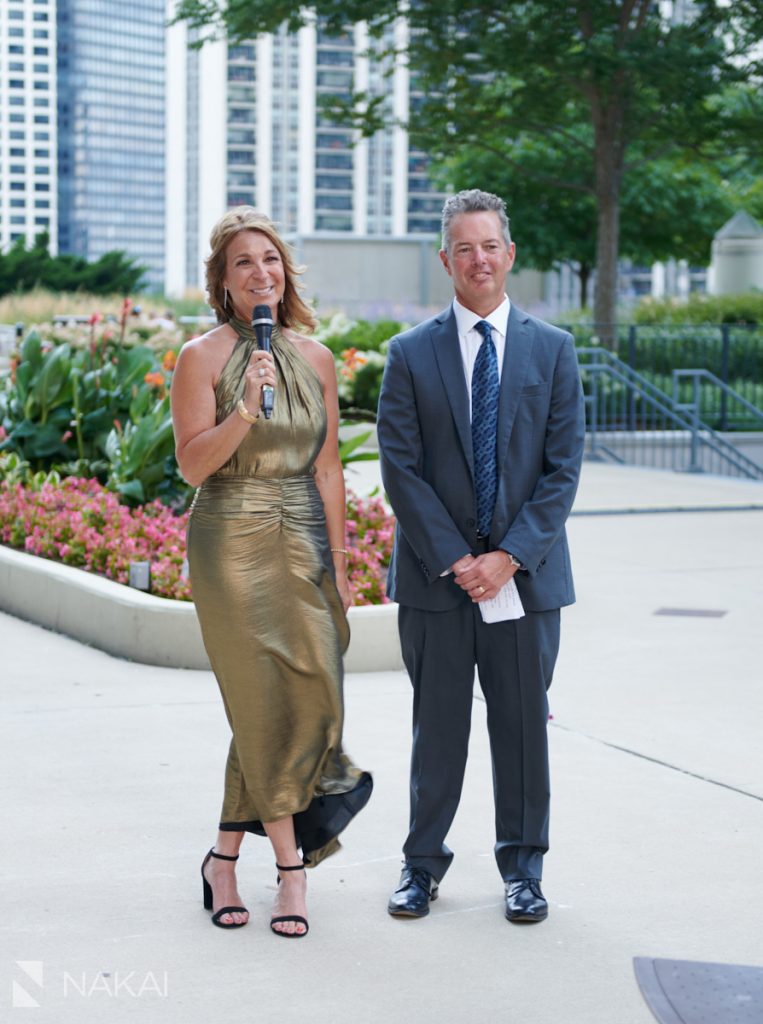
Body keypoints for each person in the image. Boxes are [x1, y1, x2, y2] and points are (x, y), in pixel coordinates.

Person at [377, 188, 585, 924]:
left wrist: (508, 558)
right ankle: (420, 866)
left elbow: (562, 470)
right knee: (437, 731)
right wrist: (456, 560)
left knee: (522, 732)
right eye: (463, 248)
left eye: (489, 245)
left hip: (524, 585)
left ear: (510, 253)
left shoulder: (553, 351)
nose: (478, 259)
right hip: (437, 585)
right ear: (445, 259)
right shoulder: (408, 355)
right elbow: (399, 469)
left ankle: (523, 871)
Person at [171, 207, 372, 939]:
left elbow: (327, 468)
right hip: (231, 536)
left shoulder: (315, 358)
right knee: (262, 700)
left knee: (302, 697)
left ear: (285, 272)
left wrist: (341, 564)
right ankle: (292, 875)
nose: (261, 272)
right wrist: (244, 413)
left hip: (303, 539)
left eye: (271, 260)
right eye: (244, 263)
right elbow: (192, 464)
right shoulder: (202, 356)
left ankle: (222, 857)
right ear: (223, 282)